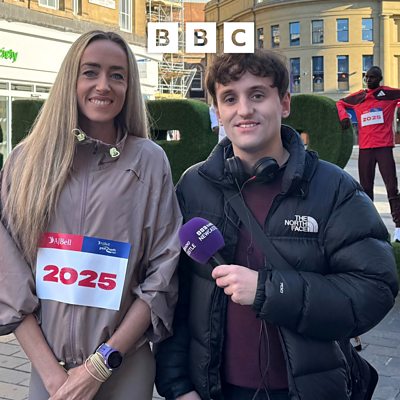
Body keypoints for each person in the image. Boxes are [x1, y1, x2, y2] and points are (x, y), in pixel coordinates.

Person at [155, 51, 399, 400]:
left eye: (257, 95)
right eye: (229, 98)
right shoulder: (194, 186)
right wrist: (178, 386)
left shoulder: (333, 188)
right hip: (214, 391)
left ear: (284, 103)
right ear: (218, 112)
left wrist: (269, 290)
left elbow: (375, 288)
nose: (244, 109)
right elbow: (176, 294)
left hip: (307, 389)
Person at [0, 30, 182, 400]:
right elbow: (8, 273)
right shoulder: (25, 161)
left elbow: (162, 272)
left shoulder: (149, 161)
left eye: (117, 75)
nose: (103, 85)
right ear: (71, 78)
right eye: (90, 72)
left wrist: (99, 366)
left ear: (129, 86)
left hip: (124, 365)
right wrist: (53, 376)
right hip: (49, 370)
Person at [336, 66, 400, 242]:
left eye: (372, 77)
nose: (369, 80)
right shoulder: (359, 96)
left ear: (380, 79)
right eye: (367, 77)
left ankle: (399, 227)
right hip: (365, 149)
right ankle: (368, 226)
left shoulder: (388, 94)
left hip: (384, 147)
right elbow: (340, 103)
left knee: (392, 188)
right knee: (365, 190)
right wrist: (344, 117)